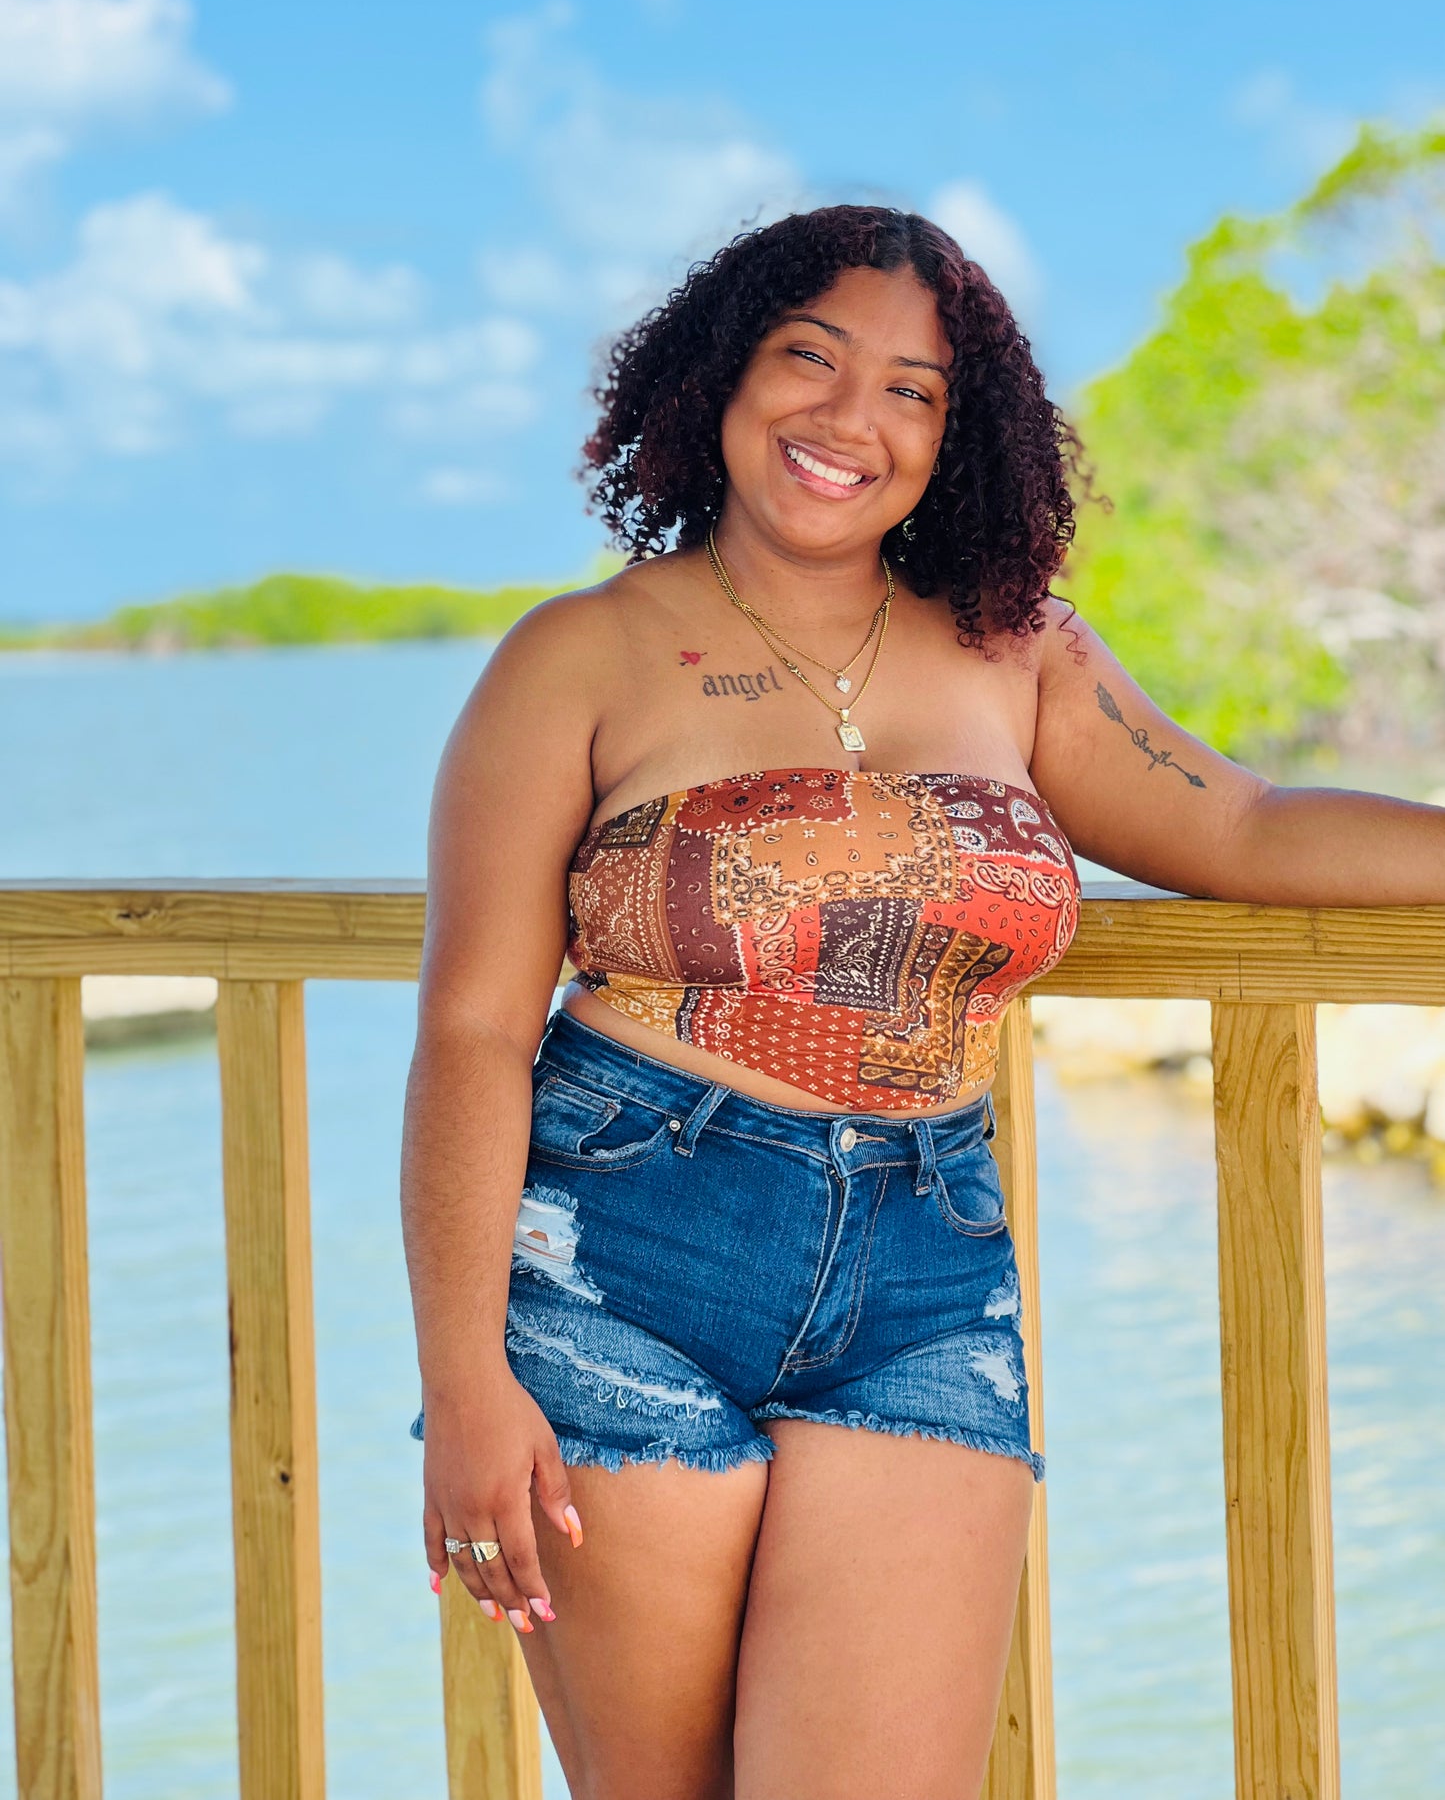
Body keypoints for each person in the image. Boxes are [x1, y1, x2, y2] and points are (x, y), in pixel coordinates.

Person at [400, 204, 1445, 1800]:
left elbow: (1235, 823)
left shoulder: (1017, 652)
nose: (849, 421)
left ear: (957, 439)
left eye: (911, 391)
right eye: (806, 361)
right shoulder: (577, 659)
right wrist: (463, 1381)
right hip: (621, 1257)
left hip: (924, 1273)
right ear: (716, 380)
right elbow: (473, 1029)